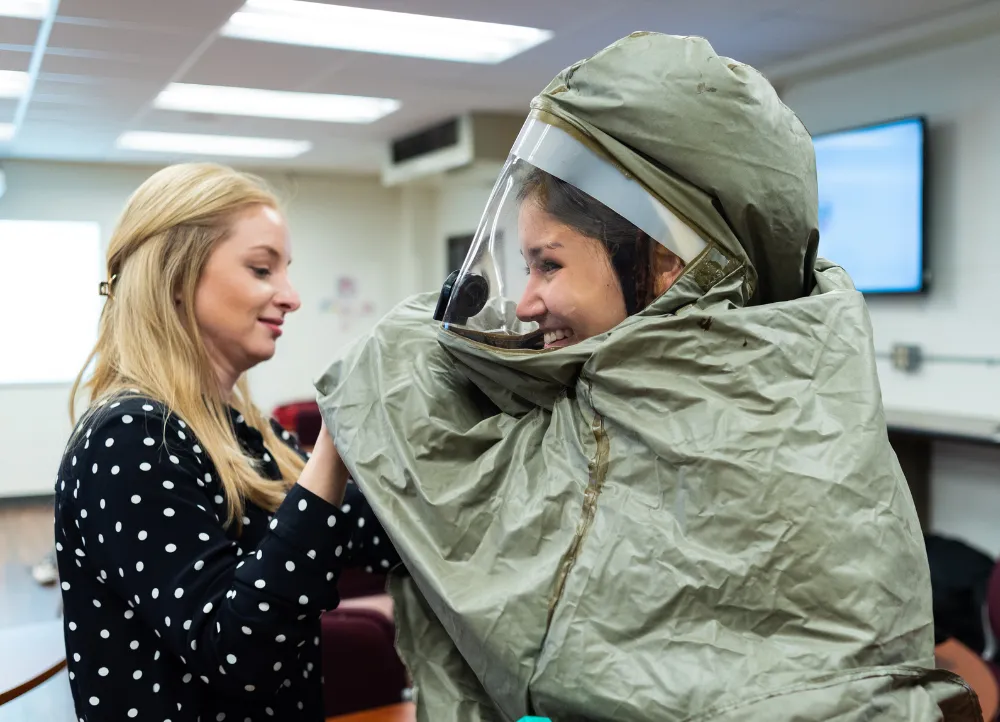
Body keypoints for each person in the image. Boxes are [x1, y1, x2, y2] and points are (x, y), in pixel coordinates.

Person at [315, 33, 978, 721]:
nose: (529, 299)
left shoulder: (770, 420)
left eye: (548, 264)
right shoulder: (604, 397)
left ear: (662, 262)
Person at [54, 163, 399, 722]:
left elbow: (363, 533)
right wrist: (336, 447)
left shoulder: (242, 428)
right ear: (175, 278)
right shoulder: (129, 439)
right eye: (263, 269)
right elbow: (239, 652)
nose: (291, 297)